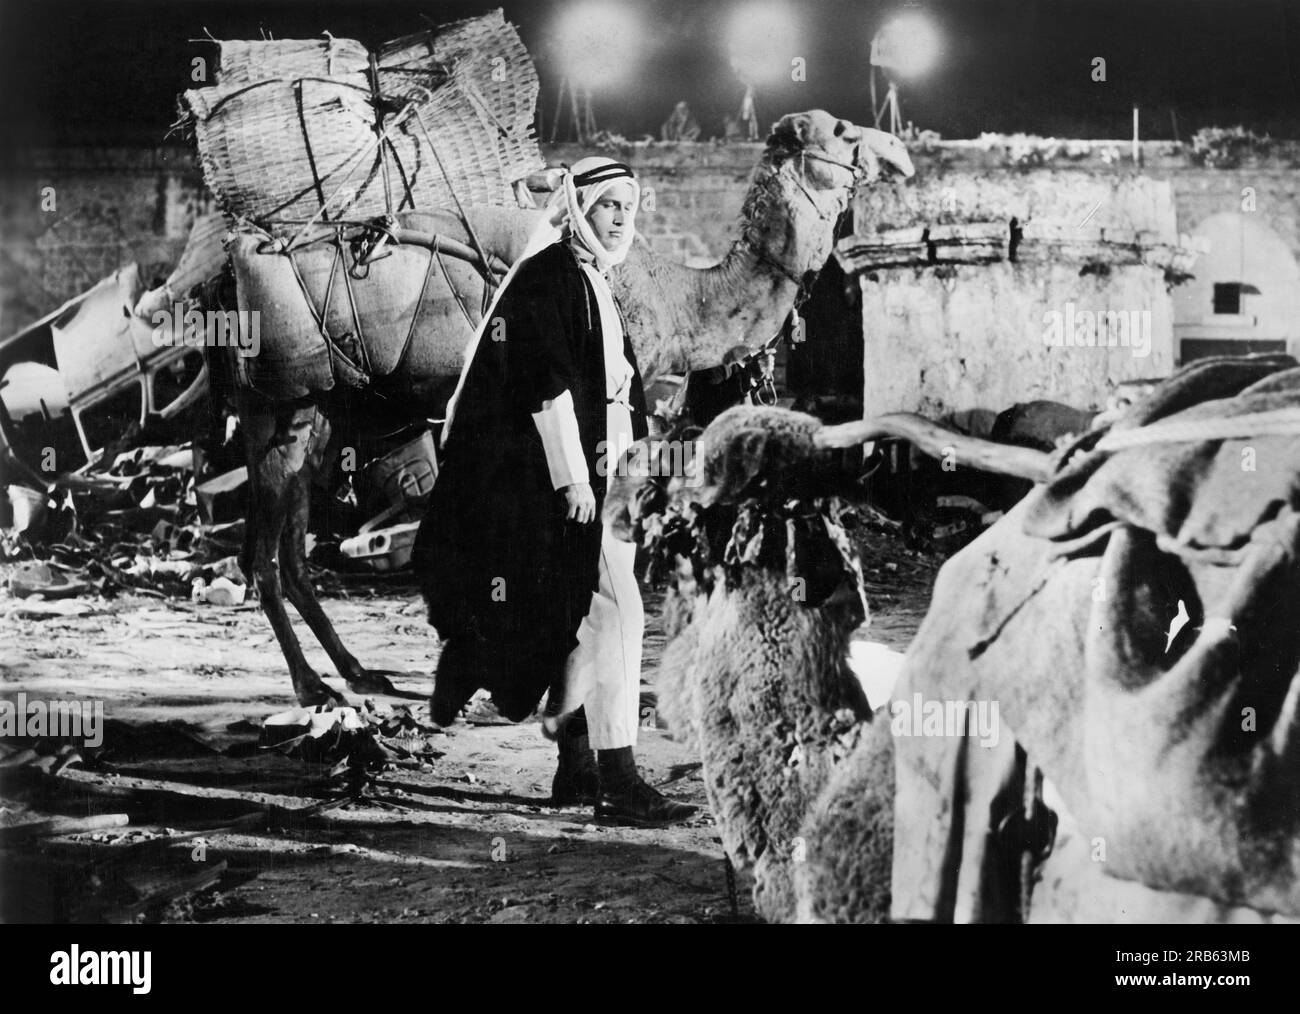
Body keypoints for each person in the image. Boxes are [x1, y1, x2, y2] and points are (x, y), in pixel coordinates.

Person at [416, 156, 697, 826]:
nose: (622, 217)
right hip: (575, 477)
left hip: (608, 465)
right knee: (620, 614)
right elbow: (547, 386)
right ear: (579, 210)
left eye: (629, 206)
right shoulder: (554, 278)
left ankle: (576, 770)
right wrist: (573, 478)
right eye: (608, 206)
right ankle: (619, 780)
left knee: (582, 614)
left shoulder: (588, 277)